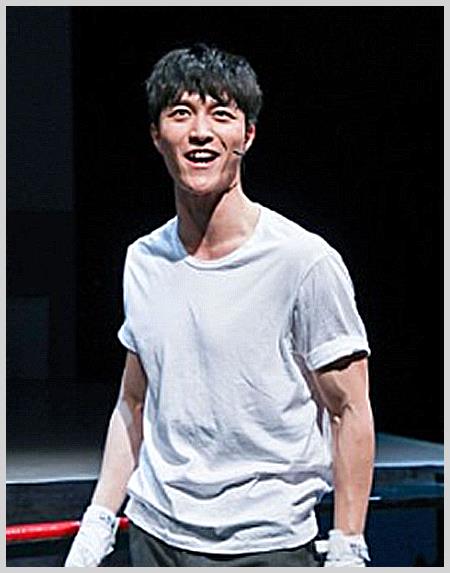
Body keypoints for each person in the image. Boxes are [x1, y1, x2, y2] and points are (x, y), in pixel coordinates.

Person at [65, 43, 375, 567]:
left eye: (221, 114)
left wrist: (347, 544)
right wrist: (98, 521)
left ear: (247, 135)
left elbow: (350, 409)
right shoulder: (143, 259)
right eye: (181, 113)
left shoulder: (302, 261)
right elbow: (133, 402)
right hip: (155, 536)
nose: (201, 132)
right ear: (157, 135)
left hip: (264, 546)